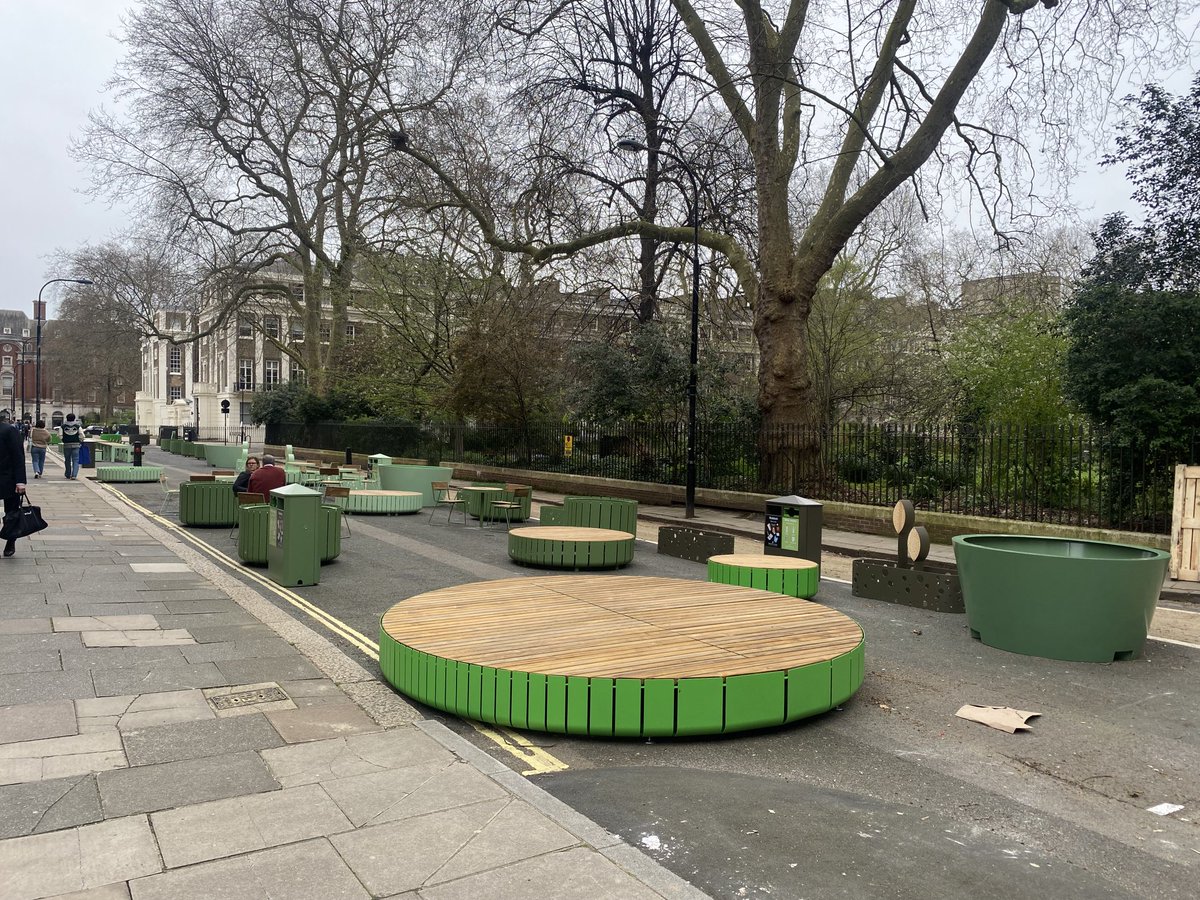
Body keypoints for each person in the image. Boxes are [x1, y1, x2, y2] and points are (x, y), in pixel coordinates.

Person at [0, 410, 28, 557]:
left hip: (8, 478)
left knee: (11, 512)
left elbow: (18, 456)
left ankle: (10, 540)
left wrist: (21, 481)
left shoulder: (9, 431)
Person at [60, 413, 83, 479]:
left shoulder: (63, 426)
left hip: (67, 445)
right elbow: (82, 435)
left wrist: (64, 440)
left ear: (66, 418)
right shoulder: (78, 426)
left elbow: (60, 435)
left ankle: (68, 473)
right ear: (74, 418)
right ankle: (74, 475)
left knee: (67, 460)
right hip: (76, 445)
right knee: (75, 460)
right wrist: (80, 440)